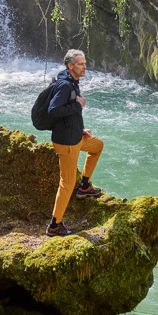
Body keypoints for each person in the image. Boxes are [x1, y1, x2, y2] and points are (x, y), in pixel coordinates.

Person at [46, 49, 104, 237]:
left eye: (85, 63)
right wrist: (78, 104)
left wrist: (81, 129)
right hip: (67, 142)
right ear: (70, 66)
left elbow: (69, 114)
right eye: (81, 64)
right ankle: (54, 226)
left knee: (97, 146)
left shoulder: (72, 82)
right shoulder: (65, 85)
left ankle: (84, 187)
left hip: (75, 136)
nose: (85, 66)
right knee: (67, 183)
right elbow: (53, 111)